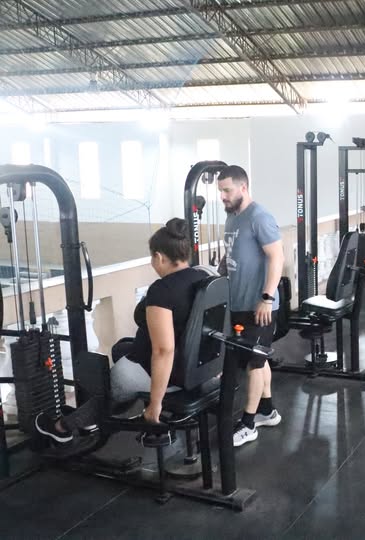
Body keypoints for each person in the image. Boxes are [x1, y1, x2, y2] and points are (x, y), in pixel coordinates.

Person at [35, 218, 209, 442]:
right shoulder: (202, 277)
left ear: (159, 257)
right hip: (191, 366)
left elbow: (163, 350)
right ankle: (98, 413)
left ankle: (63, 428)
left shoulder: (162, 290)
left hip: (167, 373)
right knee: (120, 348)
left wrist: (155, 405)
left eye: (152, 258)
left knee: (109, 388)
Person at [217, 165, 285, 447]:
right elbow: (235, 252)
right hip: (239, 303)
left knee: (254, 365)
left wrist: (267, 298)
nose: (223, 196)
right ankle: (267, 411)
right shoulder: (232, 217)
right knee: (258, 359)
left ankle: (248, 424)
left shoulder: (259, 217)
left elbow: (277, 257)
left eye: (227, 190)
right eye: (221, 191)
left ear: (243, 187)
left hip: (260, 306)